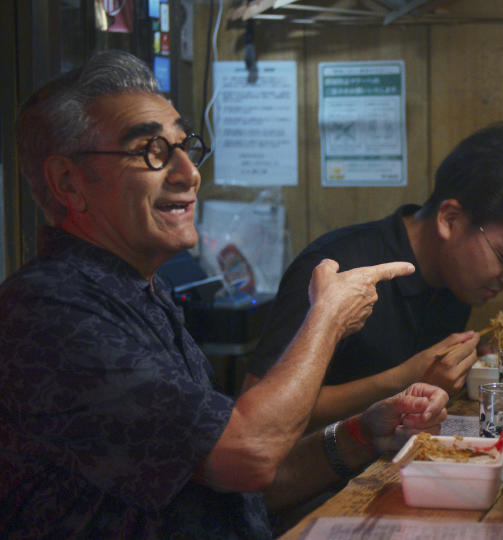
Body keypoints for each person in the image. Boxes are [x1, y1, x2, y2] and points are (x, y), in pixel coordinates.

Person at [0, 50, 449, 538]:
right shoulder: (48, 311)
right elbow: (246, 454)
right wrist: (329, 316)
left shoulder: (139, 292)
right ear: (68, 182)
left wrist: (362, 434)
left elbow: (235, 489)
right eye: (152, 150)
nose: (188, 173)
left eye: (185, 146)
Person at [245, 121, 503, 426]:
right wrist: (402, 379)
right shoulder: (336, 268)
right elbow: (258, 411)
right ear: (449, 219)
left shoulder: (455, 281)